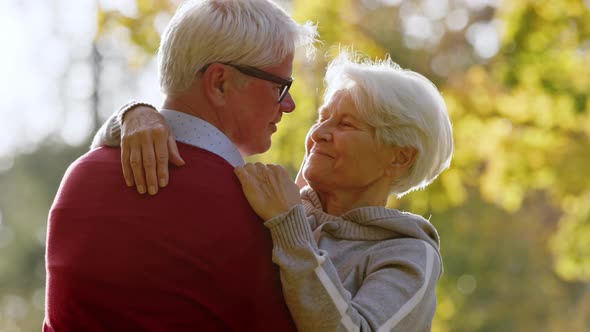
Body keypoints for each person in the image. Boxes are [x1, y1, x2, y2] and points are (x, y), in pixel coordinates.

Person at [96, 52, 454, 331]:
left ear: (400, 157)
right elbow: (161, 161)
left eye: (345, 124)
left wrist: (288, 227)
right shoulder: (270, 199)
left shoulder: (408, 253)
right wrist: (136, 115)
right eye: (321, 118)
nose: (318, 134)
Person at [44, 0, 317, 331]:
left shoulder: (78, 177)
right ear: (219, 83)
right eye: (279, 87)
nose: (289, 105)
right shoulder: (259, 210)